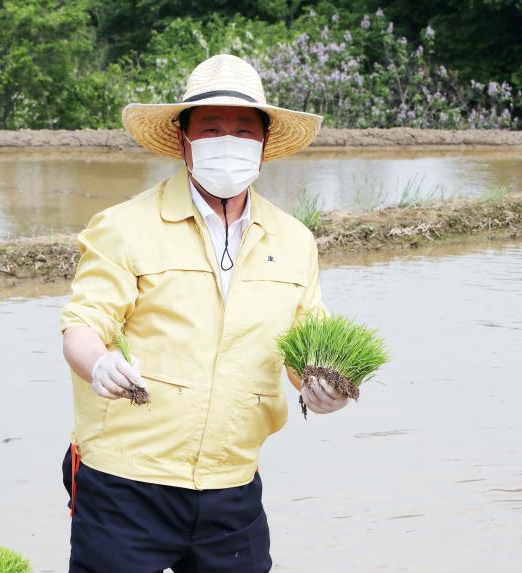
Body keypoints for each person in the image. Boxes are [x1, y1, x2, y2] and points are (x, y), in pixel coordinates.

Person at [60, 54, 350, 573]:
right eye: (211, 128)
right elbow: (82, 326)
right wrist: (99, 363)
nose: (228, 141)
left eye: (243, 130)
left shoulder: (293, 240)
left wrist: (323, 389)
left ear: (263, 145)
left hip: (231, 487)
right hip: (127, 485)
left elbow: (310, 350)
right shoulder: (124, 226)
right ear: (183, 141)